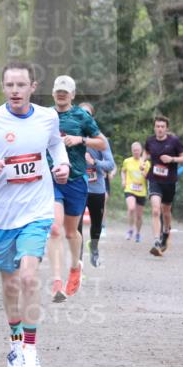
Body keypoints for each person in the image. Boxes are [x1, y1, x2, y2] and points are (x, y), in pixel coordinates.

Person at [0, 61, 70, 367]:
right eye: (9, 85)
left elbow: (55, 146)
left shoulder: (48, 117)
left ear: (33, 87)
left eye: (21, 85)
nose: (14, 91)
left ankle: (31, 349)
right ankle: (14, 342)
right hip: (2, 216)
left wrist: (62, 166)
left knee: (28, 278)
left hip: (36, 211)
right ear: (3, 87)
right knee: (10, 286)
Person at [47, 76, 107, 302]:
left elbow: (102, 143)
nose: (61, 94)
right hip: (51, 179)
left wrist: (80, 140)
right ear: (53, 93)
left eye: (66, 91)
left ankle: (75, 268)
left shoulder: (82, 116)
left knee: (71, 232)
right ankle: (56, 282)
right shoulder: (44, 116)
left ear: (72, 95)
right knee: (54, 228)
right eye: (58, 91)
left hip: (75, 180)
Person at [77, 102, 115, 267]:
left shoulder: (100, 139)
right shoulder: (72, 137)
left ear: (92, 117)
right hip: (77, 187)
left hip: (96, 188)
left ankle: (94, 248)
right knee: (76, 226)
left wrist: (94, 162)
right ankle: (77, 260)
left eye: (88, 114)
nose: (84, 117)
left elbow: (110, 164)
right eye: (81, 113)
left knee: (96, 225)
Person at [144, 115, 183, 256]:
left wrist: (172, 159)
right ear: (154, 127)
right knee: (156, 210)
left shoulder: (174, 141)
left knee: (166, 211)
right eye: (157, 126)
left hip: (169, 181)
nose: (160, 129)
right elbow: (146, 152)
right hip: (154, 179)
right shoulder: (150, 141)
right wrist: (143, 161)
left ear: (166, 128)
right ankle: (156, 241)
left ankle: (165, 233)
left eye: (162, 127)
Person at [121, 141, 151, 242]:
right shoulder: (127, 161)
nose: (136, 152)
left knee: (139, 216)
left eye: (138, 150)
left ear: (141, 151)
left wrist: (144, 173)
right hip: (130, 188)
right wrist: (123, 180)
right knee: (131, 208)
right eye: (134, 151)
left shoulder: (146, 163)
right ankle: (130, 229)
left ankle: (138, 233)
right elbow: (123, 171)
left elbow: (149, 178)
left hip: (141, 191)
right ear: (131, 151)